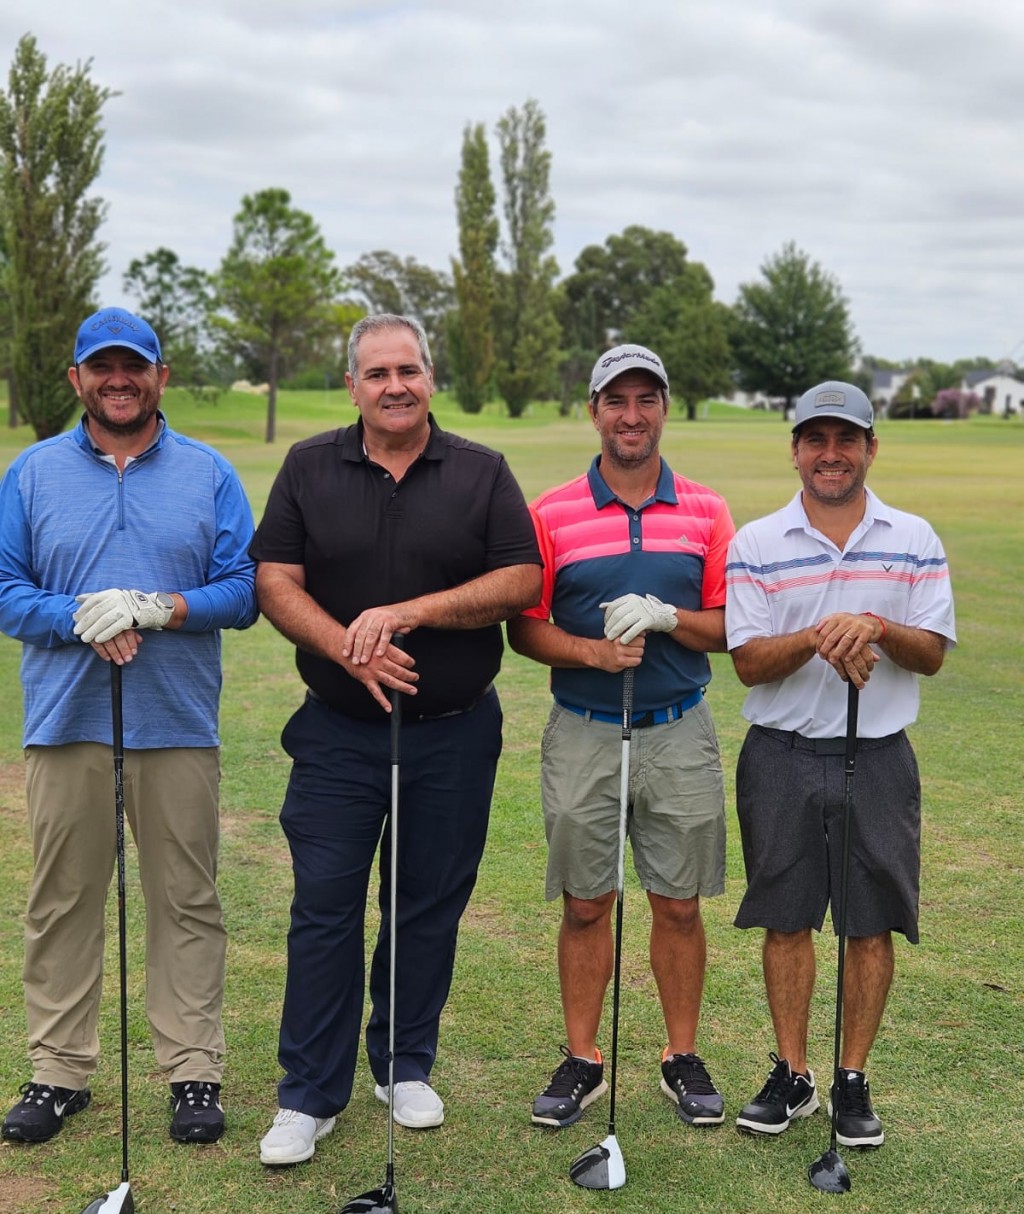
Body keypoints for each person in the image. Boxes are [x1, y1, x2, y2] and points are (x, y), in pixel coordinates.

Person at [250, 312, 541, 1166]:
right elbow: (274, 578)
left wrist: (405, 614)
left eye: (408, 370)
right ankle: (307, 1094)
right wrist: (350, 645)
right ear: (352, 386)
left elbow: (522, 578)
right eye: (377, 373)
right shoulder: (309, 466)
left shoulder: (481, 471)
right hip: (339, 734)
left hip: (452, 735)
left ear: (430, 378)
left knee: (426, 904)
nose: (395, 386)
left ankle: (402, 1063)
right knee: (325, 905)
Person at [0, 307, 258, 1146]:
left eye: (134, 367)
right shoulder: (32, 474)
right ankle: (58, 1070)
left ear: (160, 377)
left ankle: (192, 1069)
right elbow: (7, 592)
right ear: (76, 379)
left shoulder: (210, 472)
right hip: (65, 721)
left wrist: (162, 606)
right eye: (102, 368)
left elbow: (244, 589)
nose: (120, 380)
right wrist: (80, 615)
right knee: (63, 899)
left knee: (186, 898)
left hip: (176, 722)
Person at [507, 343, 735, 1130]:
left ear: (664, 407)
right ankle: (583, 1059)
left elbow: (732, 626)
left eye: (646, 400)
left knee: (677, 905)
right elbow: (525, 629)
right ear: (593, 410)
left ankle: (679, 1056)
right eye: (616, 400)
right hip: (584, 729)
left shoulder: (705, 510)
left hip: (677, 728)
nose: (631, 416)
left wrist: (671, 618)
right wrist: (593, 653)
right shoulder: (552, 512)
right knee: (585, 904)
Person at [725, 380, 956, 1147]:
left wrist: (875, 625)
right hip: (781, 756)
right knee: (786, 919)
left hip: (880, 755)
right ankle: (793, 1073)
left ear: (870, 448)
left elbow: (931, 654)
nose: (831, 455)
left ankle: (851, 1079)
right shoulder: (757, 541)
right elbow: (750, 663)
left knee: (870, 923)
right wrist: (825, 634)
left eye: (846, 439)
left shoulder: (914, 536)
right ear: (794, 449)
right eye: (816, 440)